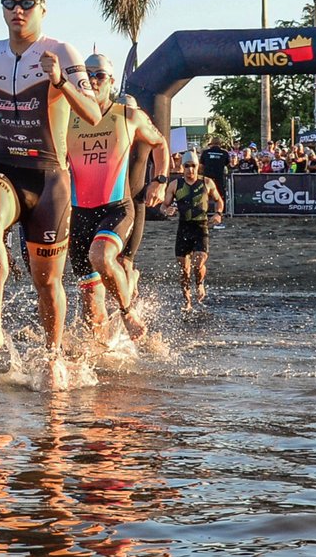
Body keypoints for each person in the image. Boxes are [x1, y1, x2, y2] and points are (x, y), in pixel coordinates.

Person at [0, 0, 100, 369]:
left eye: (26, 3)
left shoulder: (62, 52)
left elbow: (93, 111)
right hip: (3, 167)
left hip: (48, 175)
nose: (17, 10)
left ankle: (53, 357)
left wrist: (61, 83)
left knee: (47, 282)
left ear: (43, 8)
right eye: (9, 3)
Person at [68, 52, 167, 341]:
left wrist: (160, 180)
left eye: (99, 75)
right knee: (91, 305)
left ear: (110, 81)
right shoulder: (68, 117)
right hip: (79, 214)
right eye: (87, 75)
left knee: (102, 256)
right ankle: (104, 352)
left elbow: (159, 143)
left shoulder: (128, 116)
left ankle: (127, 311)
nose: (92, 80)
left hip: (116, 208)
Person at [161, 151, 224, 310]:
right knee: (184, 269)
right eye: (187, 166)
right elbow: (164, 205)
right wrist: (165, 210)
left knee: (199, 261)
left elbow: (219, 201)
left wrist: (218, 214)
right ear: (182, 167)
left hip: (201, 226)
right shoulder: (175, 185)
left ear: (198, 167)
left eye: (193, 166)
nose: (190, 170)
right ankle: (187, 300)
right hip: (184, 227)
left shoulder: (207, 182)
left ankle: (200, 283)